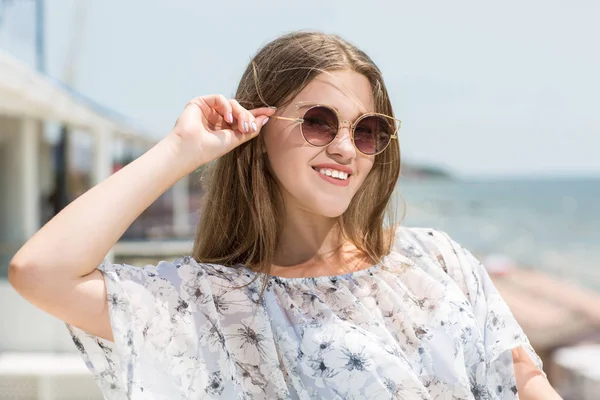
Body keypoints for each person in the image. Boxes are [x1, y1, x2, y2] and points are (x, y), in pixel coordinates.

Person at [8, 31, 561, 399]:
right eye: (319, 122)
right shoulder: (210, 304)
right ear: (258, 129)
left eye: (366, 130)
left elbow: (523, 379)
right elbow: (40, 273)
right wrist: (182, 148)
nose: (346, 147)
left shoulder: (435, 257)